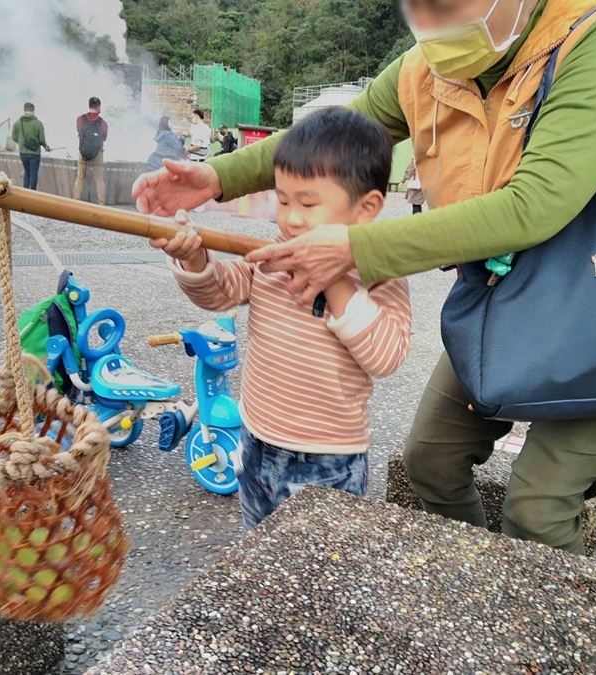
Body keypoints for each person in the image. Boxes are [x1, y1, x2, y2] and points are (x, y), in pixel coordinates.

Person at [132, 0, 596, 555]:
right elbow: (328, 141)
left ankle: (539, 622)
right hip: (500, 301)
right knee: (431, 461)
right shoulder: (427, 66)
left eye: (446, 6)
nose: (429, 21)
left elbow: (535, 205)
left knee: (538, 508)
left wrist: (352, 253)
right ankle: (477, 582)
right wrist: (213, 176)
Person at [151, 108, 412, 530]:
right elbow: (220, 291)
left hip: (328, 460)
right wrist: (194, 258)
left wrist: (336, 282)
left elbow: (385, 357)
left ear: (367, 208)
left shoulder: (379, 271)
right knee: (257, 555)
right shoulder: (275, 251)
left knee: (318, 573)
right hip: (255, 441)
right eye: (283, 200)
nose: (290, 218)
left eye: (308, 204)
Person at [74, 96, 109, 205]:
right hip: (97, 153)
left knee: (80, 178)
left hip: (83, 153)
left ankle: (76, 200)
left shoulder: (80, 119)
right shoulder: (103, 123)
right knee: (99, 179)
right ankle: (101, 202)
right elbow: (104, 138)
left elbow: (79, 132)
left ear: (89, 105)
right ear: (98, 107)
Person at [12, 102, 50, 190]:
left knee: (27, 172)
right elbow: (41, 139)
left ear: (24, 110)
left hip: (22, 152)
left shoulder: (17, 123)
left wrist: (21, 143)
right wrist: (45, 146)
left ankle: (25, 192)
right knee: (33, 174)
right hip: (34, 153)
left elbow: (14, 137)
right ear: (33, 111)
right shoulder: (38, 123)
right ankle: (32, 193)